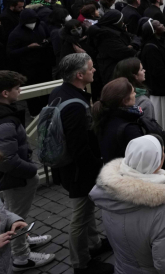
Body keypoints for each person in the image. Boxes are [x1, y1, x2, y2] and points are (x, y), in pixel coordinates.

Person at [0, 71, 55, 270]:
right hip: (13, 178)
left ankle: (23, 240)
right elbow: (6, 160)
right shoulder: (3, 123)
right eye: (16, 88)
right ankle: (22, 256)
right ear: (5, 93)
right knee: (16, 215)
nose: (20, 91)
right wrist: (32, 170)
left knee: (8, 212)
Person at [89, 135, 165, 274]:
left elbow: (137, 191)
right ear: (157, 163)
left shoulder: (110, 191)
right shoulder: (159, 212)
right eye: (162, 154)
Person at [48, 54, 114, 274]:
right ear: (79, 75)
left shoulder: (60, 92)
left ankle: (94, 244)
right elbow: (79, 147)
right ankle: (81, 263)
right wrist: (96, 167)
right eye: (91, 68)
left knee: (87, 209)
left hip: (68, 168)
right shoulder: (76, 105)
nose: (94, 71)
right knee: (81, 215)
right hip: (78, 172)